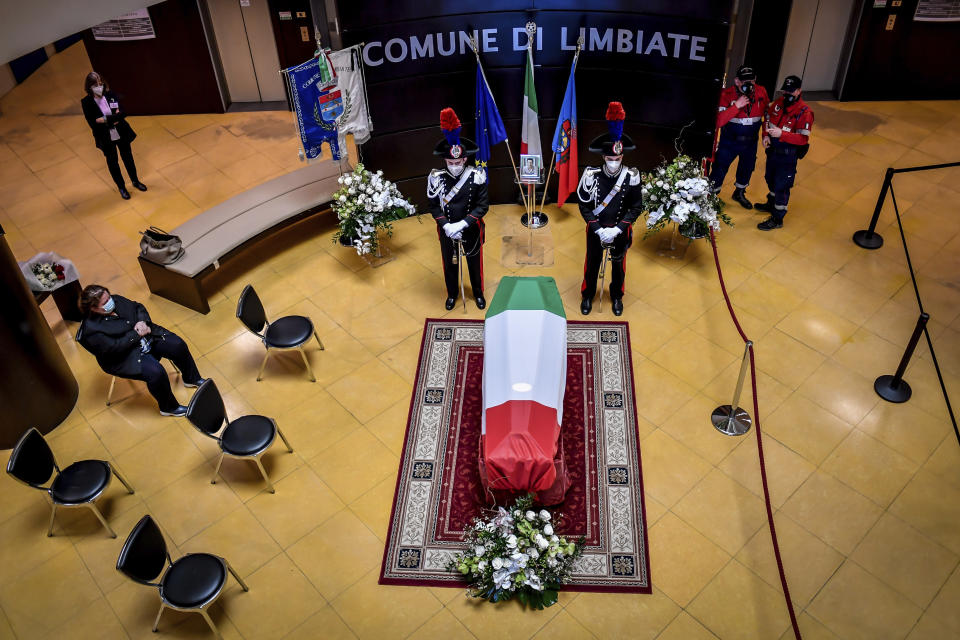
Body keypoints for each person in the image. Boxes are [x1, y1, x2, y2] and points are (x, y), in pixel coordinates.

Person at [77, 285, 205, 416]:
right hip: (124, 356)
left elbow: (138, 307)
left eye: (109, 297)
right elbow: (113, 348)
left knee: (177, 345)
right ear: (93, 308)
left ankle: (191, 378)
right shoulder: (91, 330)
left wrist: (143, 322)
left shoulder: (117, 300)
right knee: (156, 372)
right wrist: (136, 334)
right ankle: (168, 408)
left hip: (146, 337)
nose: (111, 302)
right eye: (105, 302)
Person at [577, 102, 643, 317]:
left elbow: (636, 207)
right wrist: (597, 228)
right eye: (610, 159)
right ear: (603, 157)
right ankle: (588, 294)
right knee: (592, 263)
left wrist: (618, 229)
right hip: (597, 229)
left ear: (622, 157)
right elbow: (584, 206)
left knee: (618, 265)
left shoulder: (631, 176)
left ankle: (616, 296)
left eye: (617, 159)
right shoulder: (591, 175)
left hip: (619, 230)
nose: (614, 163)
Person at [427, 108, 488, 310]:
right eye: (450, 162)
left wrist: (464, 223)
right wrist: (446, 226)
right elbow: (434, 207)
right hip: (447, 230)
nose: (454, 166)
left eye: (458, 162)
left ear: (465, 159)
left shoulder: (476, 176)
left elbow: (482, 206)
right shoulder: (436, 178)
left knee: (474, 262)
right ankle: (452, 294)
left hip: (470, 227)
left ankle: (478, 293)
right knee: (450, 263)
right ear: (445, 161)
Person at [755, 75, 814, 230]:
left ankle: (777, 218)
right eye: (785, 91)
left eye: (791, 91)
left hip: (787, 156)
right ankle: (771, 204)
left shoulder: (805, 112)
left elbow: (802, 139)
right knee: (770, 178)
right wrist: (765, 135)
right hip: (773, 152)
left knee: (782, 186)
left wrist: (782, 134)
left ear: (799, 91)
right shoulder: (778, 103)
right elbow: (767, 119)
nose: (787, 95)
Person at [709, 65, 770, 209]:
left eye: (751, 81)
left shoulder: (761, 92)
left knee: (747, 168)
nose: (748, 84)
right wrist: (736, 106)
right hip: (729, 142)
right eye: (744, 81)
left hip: (750, 142)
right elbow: (718, 121)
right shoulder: (726, 95)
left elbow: (767, 114)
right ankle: (711, 198)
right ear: (737, 81)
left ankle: (739, 193)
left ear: (755, 80)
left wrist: (765, 134)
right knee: (719, 169)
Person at [80, 72, 146, 200]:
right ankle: (121, 187)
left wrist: (104, 119)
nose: (99, 86)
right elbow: (93, 123)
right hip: (105, 136)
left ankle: (135, 181)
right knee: (113, 162)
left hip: (121, 131)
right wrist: (112, 118)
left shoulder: (111, 95)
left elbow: (122, 113)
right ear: (89, 87)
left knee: (128, 157)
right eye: (95, 85)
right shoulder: (86, 102)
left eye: (100, 83)